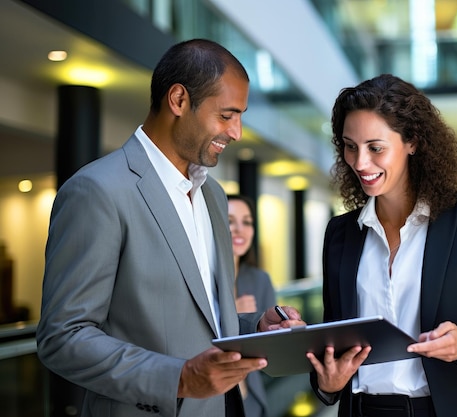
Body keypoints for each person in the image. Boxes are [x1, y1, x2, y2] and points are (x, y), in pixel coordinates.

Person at [36, 38, 302, 417]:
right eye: (226, 115)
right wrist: (178, 378)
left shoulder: (214, 196)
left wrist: (256, 325)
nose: (237, 132)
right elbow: (62, 338)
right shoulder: (97, 191)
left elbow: (201, 320)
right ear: (178, 100)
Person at [307, 74, 457, 417]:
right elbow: (334, 346)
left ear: (412, 141)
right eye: (351, 146)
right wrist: (328, 384)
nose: (360, 163)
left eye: (375, 148)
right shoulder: (340, 233)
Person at [227, 194, 277, 417]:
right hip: (210, 398)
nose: (240, 229)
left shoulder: (259, 280)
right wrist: (231, 316)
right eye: (230, 221)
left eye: (247, 222)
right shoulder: (199, 278)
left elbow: (272, 350)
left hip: (250, 399)